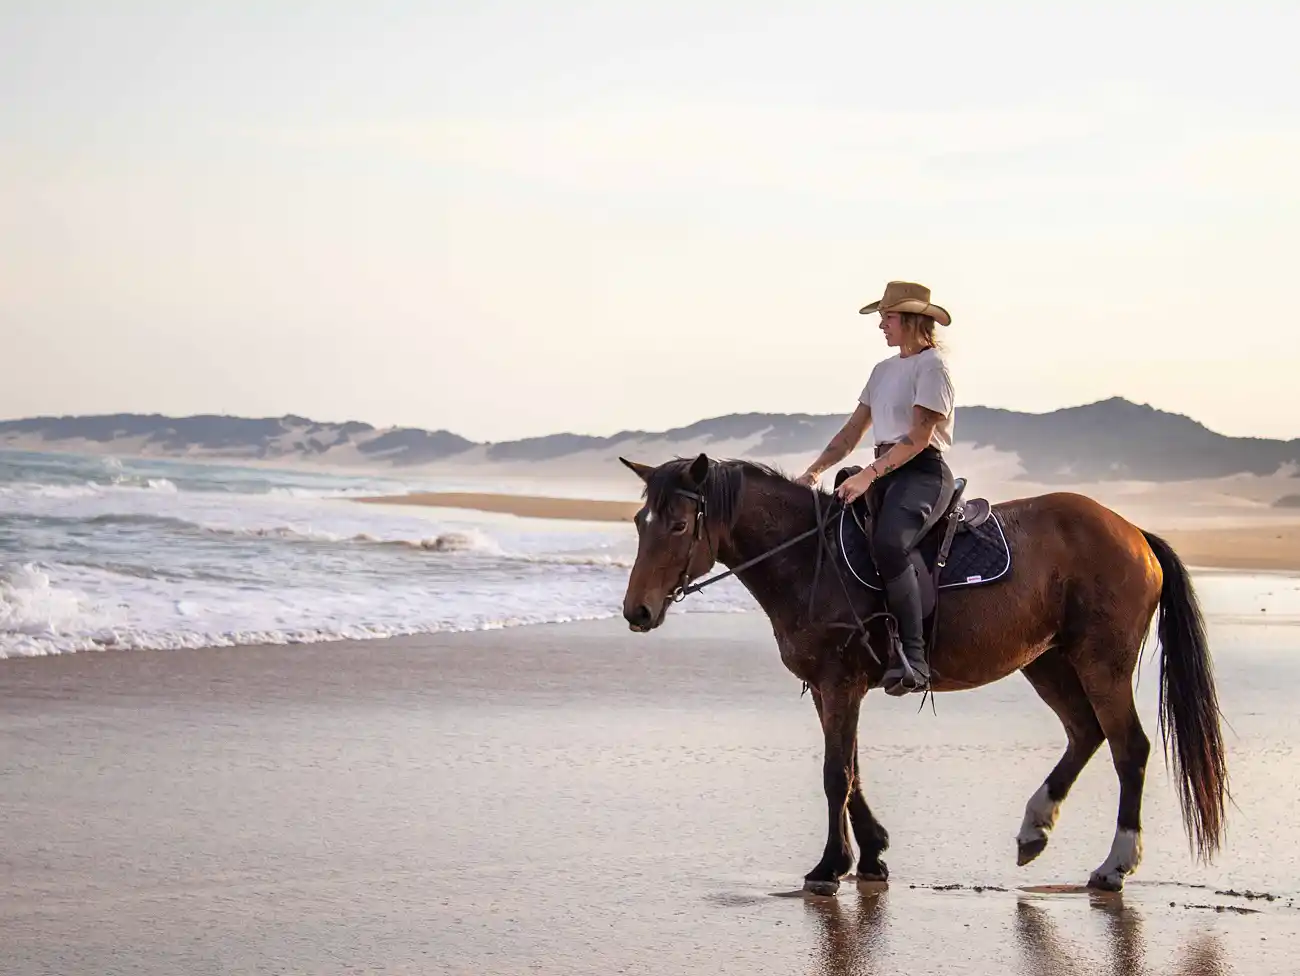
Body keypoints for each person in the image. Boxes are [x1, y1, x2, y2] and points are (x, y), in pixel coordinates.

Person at [796, 281, 956, 695]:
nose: (881, 325)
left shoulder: (932, 367)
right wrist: (814, 472)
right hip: (885, 470)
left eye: (887, 318)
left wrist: (868, 474)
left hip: (921, 473)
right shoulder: (882, 371)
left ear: (910, 320)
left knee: (889, 544)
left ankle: (915, 659)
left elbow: (920, 437)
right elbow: (851, 433)